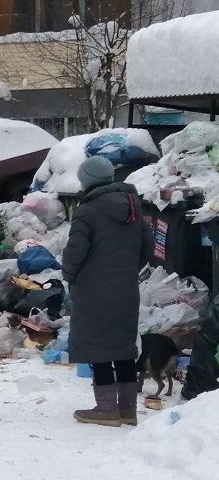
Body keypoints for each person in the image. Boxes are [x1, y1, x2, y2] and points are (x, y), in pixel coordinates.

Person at [62, 155, 151, 427]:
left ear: (86, 181)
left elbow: (75, 252)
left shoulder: (87, 210)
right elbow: (147, 248)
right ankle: (127, 410)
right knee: (123, 345)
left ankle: (106, 409)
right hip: (125, 287)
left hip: (93, 289)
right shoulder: (134, 207)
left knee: (97, 345)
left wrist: (70, 275)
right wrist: (126, 271)